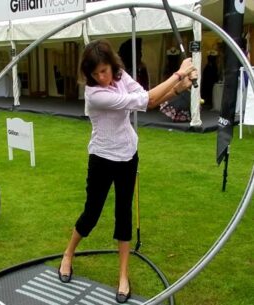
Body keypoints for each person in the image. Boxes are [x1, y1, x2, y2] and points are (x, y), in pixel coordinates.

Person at [58, 39, 197, 303]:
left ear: (112, 64)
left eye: (104, 70)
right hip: (101, 158)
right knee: (91, 214)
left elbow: (150, 102)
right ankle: (68, 254)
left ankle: (123, 275)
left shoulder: (121, 77)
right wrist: (178, 74)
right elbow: (150, 98)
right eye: (95, 73)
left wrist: (180, 88)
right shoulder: (95, 94)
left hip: (128, 155)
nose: (101, 76)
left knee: (124, 215)